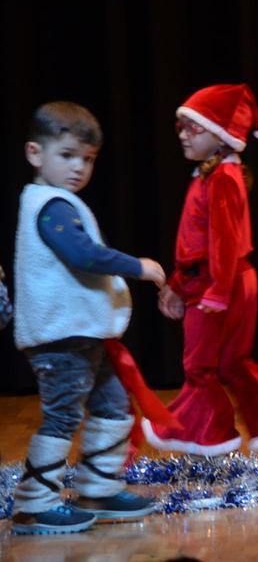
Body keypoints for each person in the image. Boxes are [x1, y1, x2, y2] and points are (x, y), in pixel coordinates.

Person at [145, 84, 258, 462]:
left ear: (221, 135)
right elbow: (197, 245)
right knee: (230, 366)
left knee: (200, 367)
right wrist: (177, 286)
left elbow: (224, 242)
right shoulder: (211, 176)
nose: (182, 133)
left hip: (219, 285)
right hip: (220, 282)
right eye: (181, 126)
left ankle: (212, 446)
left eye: (193, 127)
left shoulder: (223, 178)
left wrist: (216, 293)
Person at [11, 102, 163, 534]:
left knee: (113, 408)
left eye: (88, 159)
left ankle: (99, 487)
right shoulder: (50, 205)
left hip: (83, 337)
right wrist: (138, 266)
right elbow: (83, 255)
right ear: (35, 153)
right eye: (67, 155)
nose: (79, 167)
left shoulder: (60, 201)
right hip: (60, 340)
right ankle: (34, 504)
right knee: (62, 416)